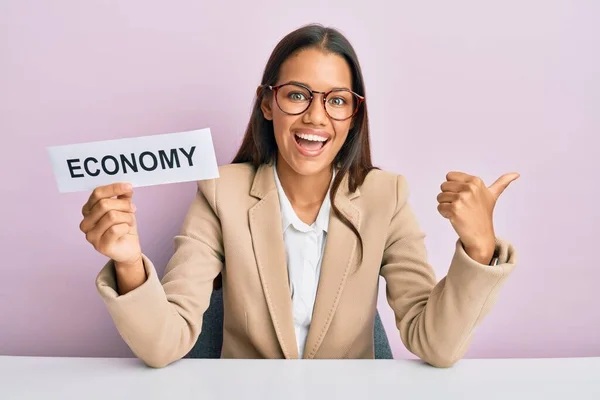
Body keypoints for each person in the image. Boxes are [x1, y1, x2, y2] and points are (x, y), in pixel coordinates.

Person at [79, 24, 518, 368]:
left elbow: (435, 345)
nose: (315, 116)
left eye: (337, 101)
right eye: (296, 95)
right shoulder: (221, 191)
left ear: (353, 115)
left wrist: (479, 249)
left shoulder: (388, 196)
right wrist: (128, 261)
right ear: (267, 104)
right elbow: (164, 344)